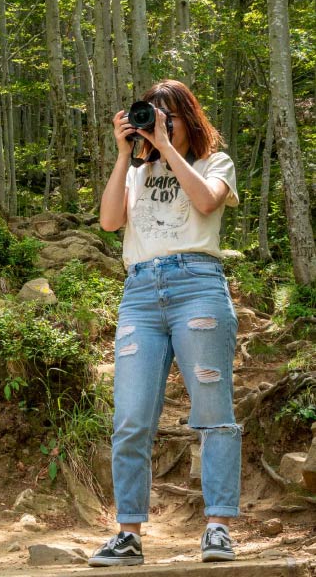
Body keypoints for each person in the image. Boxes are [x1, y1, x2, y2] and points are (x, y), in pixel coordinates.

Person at [88, 79, 241, 567]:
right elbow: (110, 222)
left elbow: (206, 202)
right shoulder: (136, 171)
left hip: (197, 285)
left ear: (185, 119)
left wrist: (167, 148)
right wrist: (123, 153)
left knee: (213, 413)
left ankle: (217, 527)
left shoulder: (215, 163)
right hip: (139, 293)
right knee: (130, 419)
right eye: (149, 115)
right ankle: (128, 533)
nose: (154, 123)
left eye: (164, 115)